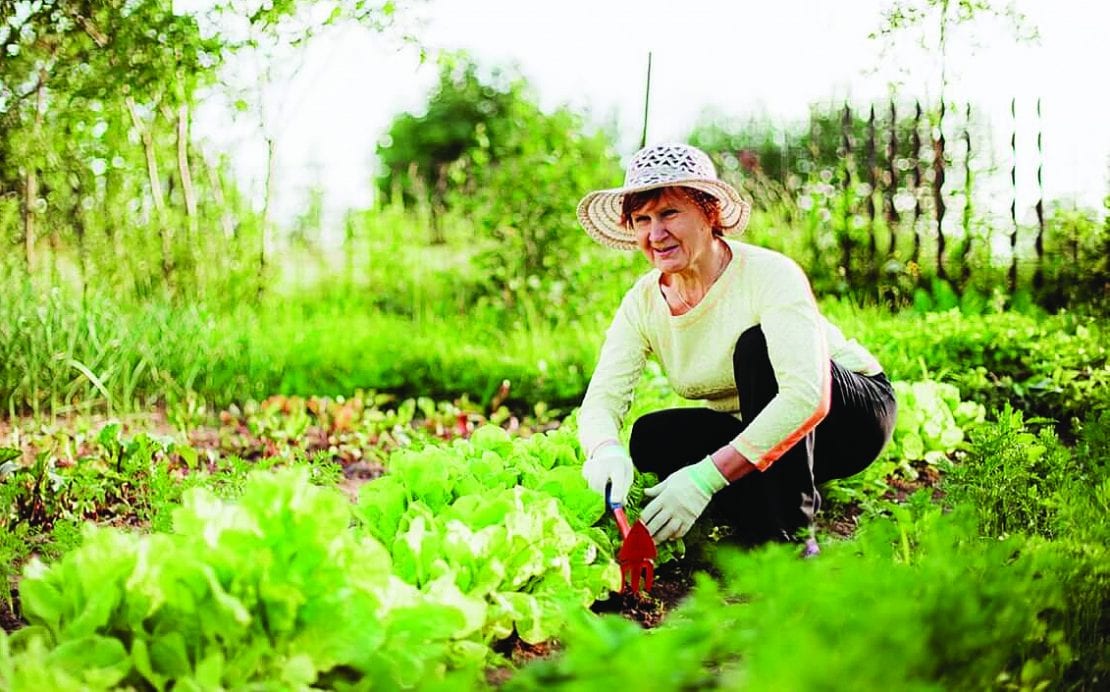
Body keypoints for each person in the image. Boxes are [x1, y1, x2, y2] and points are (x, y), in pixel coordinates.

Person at [575, 143, 897, 553]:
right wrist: (604, 450)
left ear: (709, 213)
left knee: (755, 347)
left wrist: (703, 478)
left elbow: (806, 397)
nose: (656, 234)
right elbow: (602, 398)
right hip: (762, 425)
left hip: (848, 418)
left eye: (670, 213)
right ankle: (757, 510)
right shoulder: (642, 302)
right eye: (643, 219)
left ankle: (790, 543)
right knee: (650, 438)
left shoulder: (768, 274)